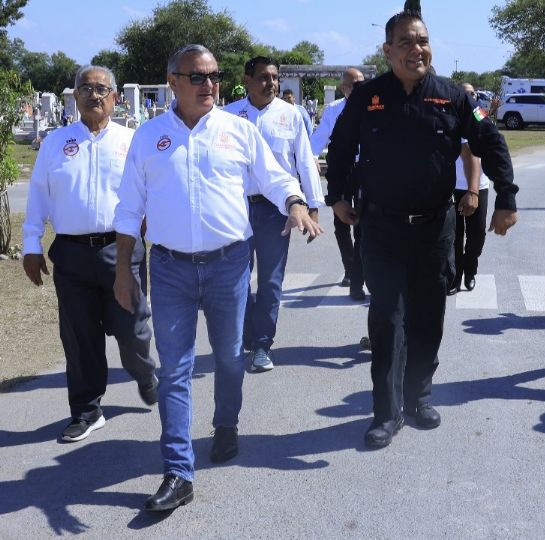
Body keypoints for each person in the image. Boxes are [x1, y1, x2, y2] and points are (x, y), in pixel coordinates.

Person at [113, 44, 322, 512]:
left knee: (229, 358)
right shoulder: (148, 137)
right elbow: (129, 210)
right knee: (175, 371)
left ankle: (226, 424)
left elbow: (274, 177)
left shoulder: (237, 130)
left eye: (214, 76)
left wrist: (296, 203)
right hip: (169, 269)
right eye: (197, 77)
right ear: (172, 82)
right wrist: (125, 271)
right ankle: (178, 470)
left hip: (229, 265)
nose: (209, 85)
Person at [325, 4, 518, 448]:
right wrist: (337, 196)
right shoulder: (367, 96)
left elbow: (490, 141)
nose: (417, 49)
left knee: (428, 320)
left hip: (435, 230)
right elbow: (340, 146)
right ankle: (386, 413)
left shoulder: (454, 97)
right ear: (388, 49)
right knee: (388, 320)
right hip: (382, 229)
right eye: (407, 42)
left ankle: (419, 398)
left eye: (424, 41)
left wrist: (505, 197)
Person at [22, 66, 158, 443]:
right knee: (79, 337)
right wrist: (31, 245)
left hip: (122, 250)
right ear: (75, 97)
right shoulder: (55, 143)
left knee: (132, 332)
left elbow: (152, 190)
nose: (94, 95)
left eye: (102, 89)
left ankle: (145, 374)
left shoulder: (134, 140)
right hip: (72, 254)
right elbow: (38, 197)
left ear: (115, 97)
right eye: (86, 88)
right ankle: (86, 410)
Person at [224, 56, 325, 372]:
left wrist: (312, 205)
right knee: (236, 281)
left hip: (276, 211)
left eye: (275, 77)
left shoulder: (290, 115)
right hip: (235, 208)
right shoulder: (228, 115)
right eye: (264, 77)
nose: (271, 83)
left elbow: (305, 160)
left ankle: (261, 345)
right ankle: (246, 338)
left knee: (270, 281)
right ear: (248, 80)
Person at [311, 67, 366, 298]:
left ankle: (362, 271)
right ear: (345, 88)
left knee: (363, 224)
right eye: (355, 84)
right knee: (341, 224)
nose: (360, 88)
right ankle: (350, 269)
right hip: (341, 172)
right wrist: (312, 158)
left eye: (363, 83)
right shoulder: (334, 111)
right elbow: (320, 137)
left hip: (365, 170)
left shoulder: (372, 107)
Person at [448, 83, 487, 295]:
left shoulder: (480, 115)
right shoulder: (451, 116)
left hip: (479, 185)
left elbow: (490, 137)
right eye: (463, 94)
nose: (467, 97)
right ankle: (455, 276)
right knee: (455, 235)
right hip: (453, 186)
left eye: (471, 93)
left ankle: (470, 268)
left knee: (477, 235)